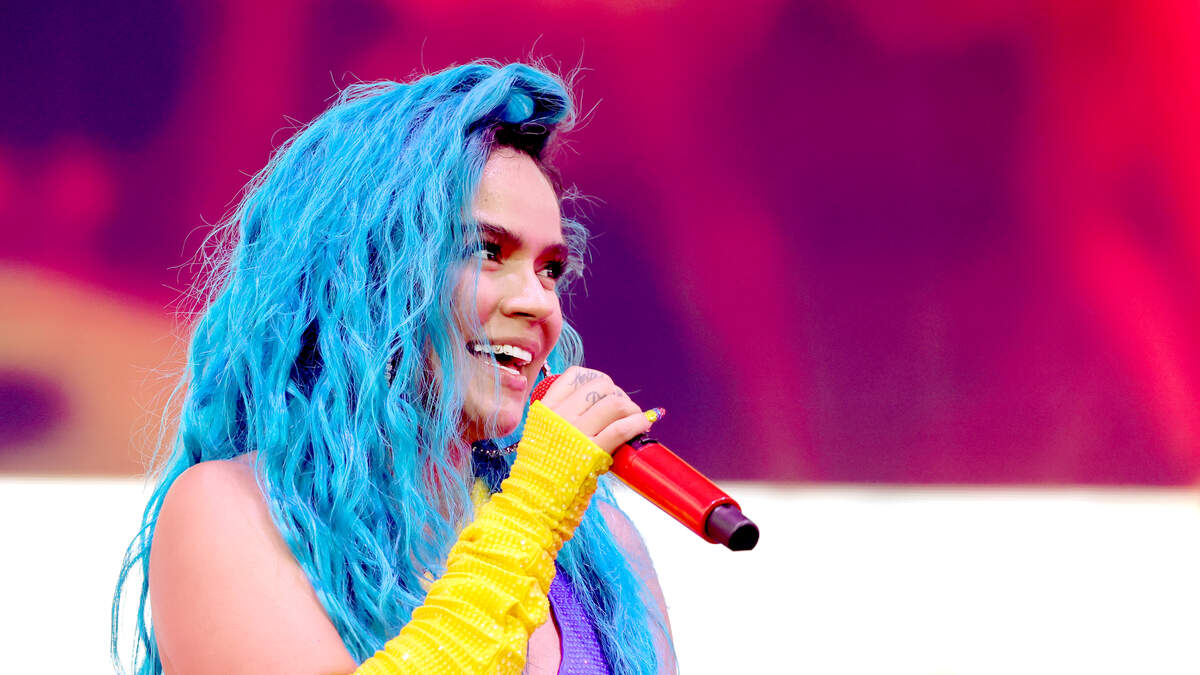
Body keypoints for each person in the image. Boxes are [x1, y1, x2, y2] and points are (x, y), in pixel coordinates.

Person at [112, 61, 675, 674]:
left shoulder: (602, 550)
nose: (539, 303)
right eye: (486, 250)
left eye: (550, 270)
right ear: (366, 274)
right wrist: (531, 513)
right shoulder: (231, 511)